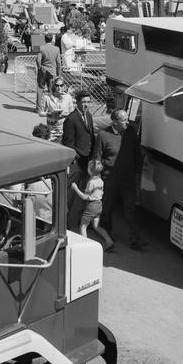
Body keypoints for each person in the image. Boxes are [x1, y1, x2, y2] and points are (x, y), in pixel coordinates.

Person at [96, 109, 147, 249]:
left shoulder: (131, 132)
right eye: (124, 120)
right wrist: (97, 178)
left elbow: (137, 154)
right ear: (115, 122)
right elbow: (97, 157)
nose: (127, 122)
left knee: (130, 209)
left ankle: (135, 238)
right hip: (110, 179)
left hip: (128, 179)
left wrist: (137, 173)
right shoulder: (103, 135)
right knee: (107, 208)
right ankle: (107, 233)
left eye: (127, 119)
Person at [61, 91, 100, 230]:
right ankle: (64, 223)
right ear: (77, 103)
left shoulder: (88, 115)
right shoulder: (71, 119)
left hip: (87, 161)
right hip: (77, 162)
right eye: (83, 102)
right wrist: (77, 157)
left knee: (85, 193)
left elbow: (91, 137)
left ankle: (80, 220)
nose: (86, 105)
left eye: (88, 102)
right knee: (71, 194)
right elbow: (68, 143)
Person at [73, 159, 115, 251]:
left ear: (90, 170)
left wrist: (75, 188)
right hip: (99, 205)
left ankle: (85, 247)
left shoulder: (91, 183)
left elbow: (85, 197)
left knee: (83, 226)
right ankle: (109, 241)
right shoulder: (100, 179)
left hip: (91, 206)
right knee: (96, 226)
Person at [35, 33, 62, 113]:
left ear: (45, 39)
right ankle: (51, 108)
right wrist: (59, 73)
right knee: (51, 90)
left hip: (43, 70)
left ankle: (39, 108)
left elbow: (38, 60)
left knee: (40, 88)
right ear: (52, 39)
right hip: (52, 71)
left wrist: (40, 67)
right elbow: (58, 62)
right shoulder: (56, 49)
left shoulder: (42, 48)